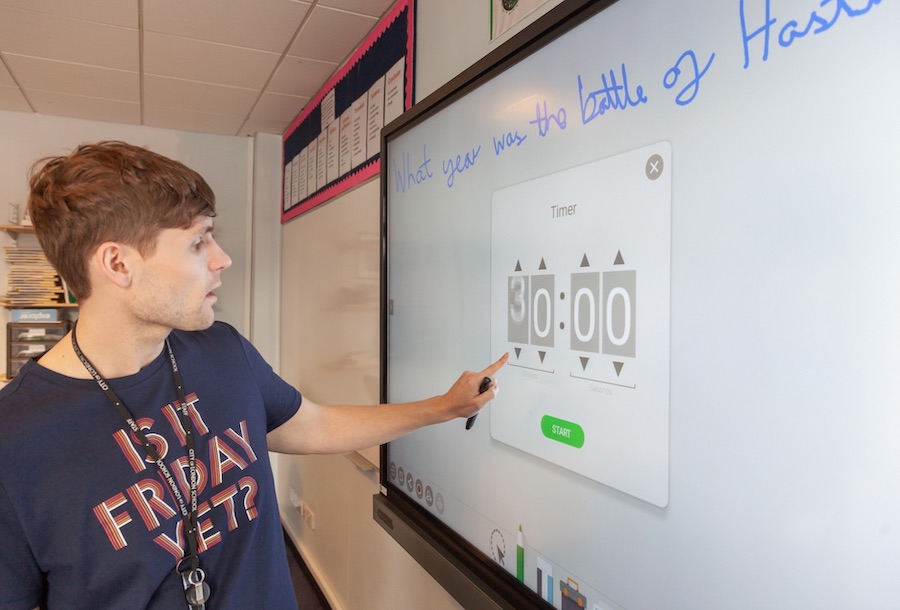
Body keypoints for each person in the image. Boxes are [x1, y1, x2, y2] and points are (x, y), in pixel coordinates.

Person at [0, 141, 508, 610]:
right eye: (197, 243)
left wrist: (443, 408)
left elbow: (315, 426)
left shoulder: (222, 350)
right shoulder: (16, 439)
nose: (222, 259)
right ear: (117, 263)